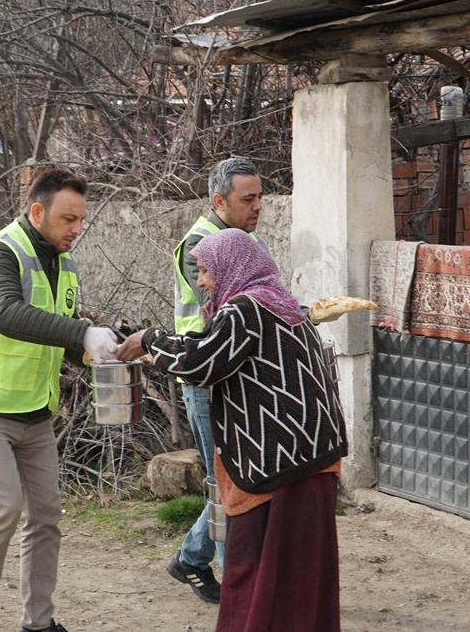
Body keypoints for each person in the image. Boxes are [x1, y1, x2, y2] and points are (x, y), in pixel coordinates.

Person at [116, 228, 347, 631]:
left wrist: (150, 339)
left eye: (205, 270)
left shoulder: (245, 308)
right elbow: (211, 344)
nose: (201, 281)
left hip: (279, 463)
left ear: (231, 267)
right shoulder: (280, 303)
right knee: (301, 569)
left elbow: (202, 363)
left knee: (253, 563)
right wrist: (165, 343)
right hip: (311, 456)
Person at [0, 168, 119, 632]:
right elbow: (6, 314)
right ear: (37, 211)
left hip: (35, 412)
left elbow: (54, 336)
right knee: (2, 510)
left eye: (81, 219)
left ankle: (38, 623)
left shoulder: (64, 263)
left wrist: (97, 354)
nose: (76, 229)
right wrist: (82, 330)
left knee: (45, 517)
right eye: (68, 219)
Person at [167, 157, 267, 603]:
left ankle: (192, 558)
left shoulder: (246, 238)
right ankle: (237, 585)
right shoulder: (200, 244)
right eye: (249, 198)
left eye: (260, 196)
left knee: (233, 478)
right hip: (207, 378)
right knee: (223, 479)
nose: (258, 205)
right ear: (218, 201)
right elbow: (229, 302)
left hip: (238, 376)